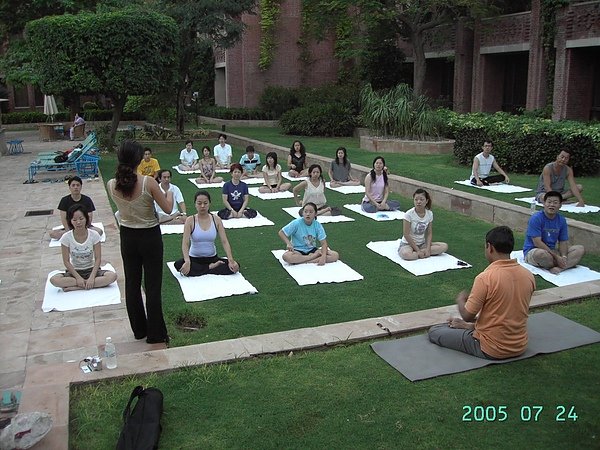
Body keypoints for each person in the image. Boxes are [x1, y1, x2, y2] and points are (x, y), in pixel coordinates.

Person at [428, 226, 535, 359]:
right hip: (519, 345)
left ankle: (475, 333)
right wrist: (469, 326)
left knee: (435, 331)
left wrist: (461, 299)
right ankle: (474, 329)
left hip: (490, 348)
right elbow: (508, 313)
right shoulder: (528, 275)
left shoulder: (486, 278)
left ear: (489, 247)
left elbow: (467, 315)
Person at [107, 140, 173, 344]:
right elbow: (168, 209)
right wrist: (168, 193)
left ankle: (139, 330)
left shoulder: (111, 184)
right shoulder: (148, 182)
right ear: (138, 159)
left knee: (132, 284)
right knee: (152, 286)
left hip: (127, 236)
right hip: (149, 236)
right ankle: (155, 334)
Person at [50, 204, 117, 292]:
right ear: (70, 221)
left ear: (86, 219)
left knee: (112, 276)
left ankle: (77, 287)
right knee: (54, 279)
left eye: (81, 219)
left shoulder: (94, 235)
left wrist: (92, 278)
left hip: (91, 270)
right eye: (74, 220)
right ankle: (87, 284)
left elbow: (98, 259)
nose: (78, 222)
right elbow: (66, 261)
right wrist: (78, 278)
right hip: (74, 272)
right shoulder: (66, 238)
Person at [174, 190, 239, 276]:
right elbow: (185, 243)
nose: (202, 206)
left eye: (205, 203)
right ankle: (209, 268)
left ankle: (204, 269)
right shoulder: (190, 220)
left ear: (209, 203)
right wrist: (187, 261)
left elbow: (224, 241)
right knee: (178, 265)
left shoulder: (216, 220)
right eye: (199, 203)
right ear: (195, 204)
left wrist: (231, 260)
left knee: (235, 266)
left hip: (212, 258)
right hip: (194, 259)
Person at [523, 191, 585, 274]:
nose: (552, 205)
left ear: (560, 205)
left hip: (552, 251)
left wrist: (563, 256)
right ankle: (564, 264)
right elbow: (537, 242)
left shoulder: (561, 220)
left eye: (555, 203)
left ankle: (560, 268)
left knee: (580, 249)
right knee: (541, 254)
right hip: (535, 251)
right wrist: (556, 257)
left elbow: (563, 241)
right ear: (544, 203)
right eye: (549, 202)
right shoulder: (536, 218)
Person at [399, 189, 448, 260]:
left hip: (422, 244)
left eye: (421, 199)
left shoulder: (429, 214)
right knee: (406, 254)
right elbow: (406, 234)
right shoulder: (409, 214)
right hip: (408, 244)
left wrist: (428, 249)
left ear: (426, 201)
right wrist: (418, 250)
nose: (418, 202)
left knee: (444, 246)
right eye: (416, 200)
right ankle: (418, 252)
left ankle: (420, 253)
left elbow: (429, 233)